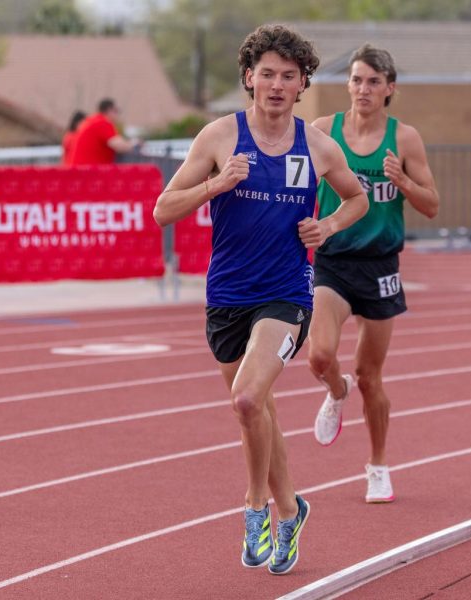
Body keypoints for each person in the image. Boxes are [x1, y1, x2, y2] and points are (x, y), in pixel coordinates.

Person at [153, 25, 368, 575]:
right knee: (260, 414)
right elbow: (163, 210)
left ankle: (255, 508)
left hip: (286, 294)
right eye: (267, 74)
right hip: (226, 297)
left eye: (288, 77)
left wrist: (329, 225)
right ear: (249, 77)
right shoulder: (218, 137)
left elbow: (357, 198)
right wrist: (214, 186)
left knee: (248, 400)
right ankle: (292, 510)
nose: (276, 85)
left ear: (302, 85)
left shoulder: (316, 145)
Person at [308, 44, 439, 504]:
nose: (363, 89)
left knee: (371, 376)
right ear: (348, 84)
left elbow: (431, 204)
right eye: (357, 80)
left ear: (389, 89)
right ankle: (334, 389)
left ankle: (378, 465)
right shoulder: (324, 131)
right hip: (334, 262)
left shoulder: (404, 139)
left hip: (381, 265)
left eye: (373, 82)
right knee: (319, 356)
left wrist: (402, 182)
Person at [69, 98, 140, 166]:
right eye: (116, 111)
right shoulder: (102, 123)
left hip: (80, 170)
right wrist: (134, 144)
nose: (118, 115)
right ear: (109, 110)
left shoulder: (91, 121)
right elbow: (120, 146)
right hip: (90, 172)